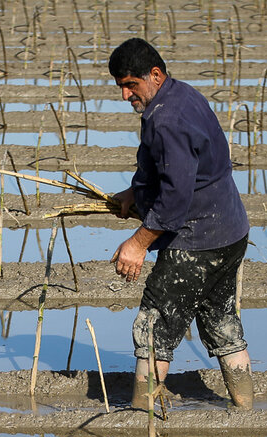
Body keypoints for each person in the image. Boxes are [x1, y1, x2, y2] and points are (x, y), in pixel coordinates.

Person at [108, 37, 253, 410]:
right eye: (121, 86)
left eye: (131, 85)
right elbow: (183, 169)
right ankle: (245, 409)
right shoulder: (182, 95)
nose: (125, 95)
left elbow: (175, 200)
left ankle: (144, 418)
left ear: (155, 75)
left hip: (197, 239)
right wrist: (133, 193)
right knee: (221, 318)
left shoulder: (166, 119)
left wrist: (137, 244)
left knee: (155, 325)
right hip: (230, 231)